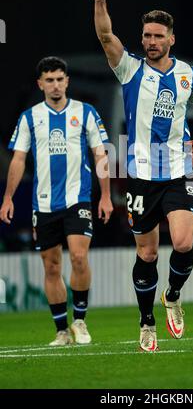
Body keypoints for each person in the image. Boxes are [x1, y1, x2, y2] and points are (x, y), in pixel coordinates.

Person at [88, 0, 193, 351]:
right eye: (146, 35)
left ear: (171, 39)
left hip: (176, 168)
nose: (151, 42)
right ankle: (146, 322)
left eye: (158, 36)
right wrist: (100, 2)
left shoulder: (189, 74)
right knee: (147, 253)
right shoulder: (129, 69)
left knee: (185, 241)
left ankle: (172, 295)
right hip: (141, 172)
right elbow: (106, 36)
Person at [0, 56, 113, 345]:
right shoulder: (30, 118)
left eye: (60, 79)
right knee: (51, 267)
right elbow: (19, 159)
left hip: (79, 199)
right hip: (44, 204)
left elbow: (101, 154)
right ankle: (62, 330)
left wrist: (106, 197)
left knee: (78, 257)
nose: (55, 85)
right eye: (49, 80)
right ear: (40, 84)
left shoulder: (85, 112)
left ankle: (80, 320)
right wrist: (8, 198)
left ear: (67, 81)